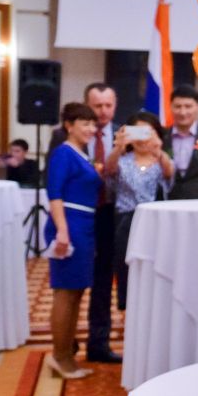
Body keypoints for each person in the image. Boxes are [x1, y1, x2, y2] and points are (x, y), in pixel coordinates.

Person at [52, 83, 123, 365]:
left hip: (107, 217)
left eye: (108, 105)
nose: (103, 113)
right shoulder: (63, 141)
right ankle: (64, 347)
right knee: (69, 288)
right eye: (97, 107)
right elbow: (55, 186)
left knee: (101, 283)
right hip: (74, 219)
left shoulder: (124, 134)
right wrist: (62, 228)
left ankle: (98, 343)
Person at [43, 103, 102, 380]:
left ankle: (67, 354)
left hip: (83, 224)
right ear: (69, 125)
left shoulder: (82, 154)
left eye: (93, 124)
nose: (91, 129)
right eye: (85, 123)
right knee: (65, 294)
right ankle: (59, 356)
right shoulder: (63, 153)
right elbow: (54, 193)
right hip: (69, 224)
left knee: (76, 293)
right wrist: (62, 231)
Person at [104, 110, 172, 324]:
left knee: (154, 268)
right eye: (138, 131)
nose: (142, 137)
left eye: (147, 131)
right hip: (125, 221)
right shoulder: (122, 159)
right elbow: (109, 171)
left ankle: (154, 314)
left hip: (155, 222)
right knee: (126, 269)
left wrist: (158, 150)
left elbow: (171, 175)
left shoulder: (160, 159)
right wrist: (118, 146)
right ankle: (127, 314)